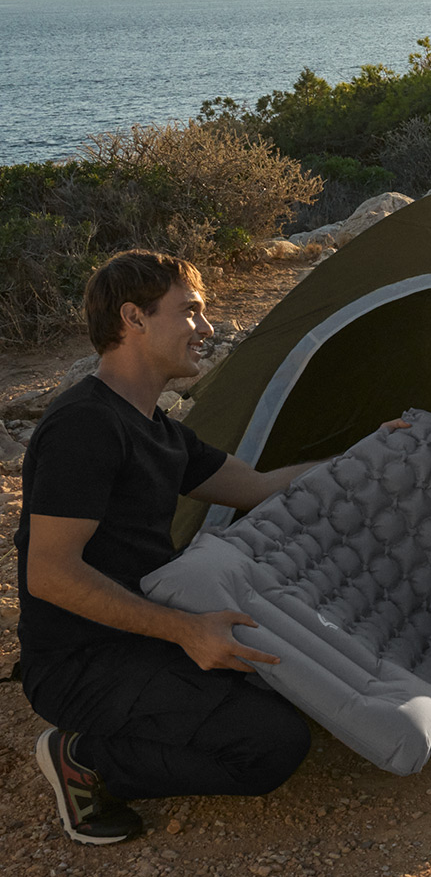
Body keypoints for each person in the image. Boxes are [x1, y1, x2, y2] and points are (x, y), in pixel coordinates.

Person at [16, 249, 316, 845]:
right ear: (134, 317)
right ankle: (84, 758)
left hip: (141, 636)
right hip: (81, 660)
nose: (206, 329)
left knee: (286, 686)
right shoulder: (84, 426)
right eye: (191, 312)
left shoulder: (158, 429)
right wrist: (186, 631)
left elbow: (256, 487)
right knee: (272, 745)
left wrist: (366, 457)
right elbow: (49, 575)